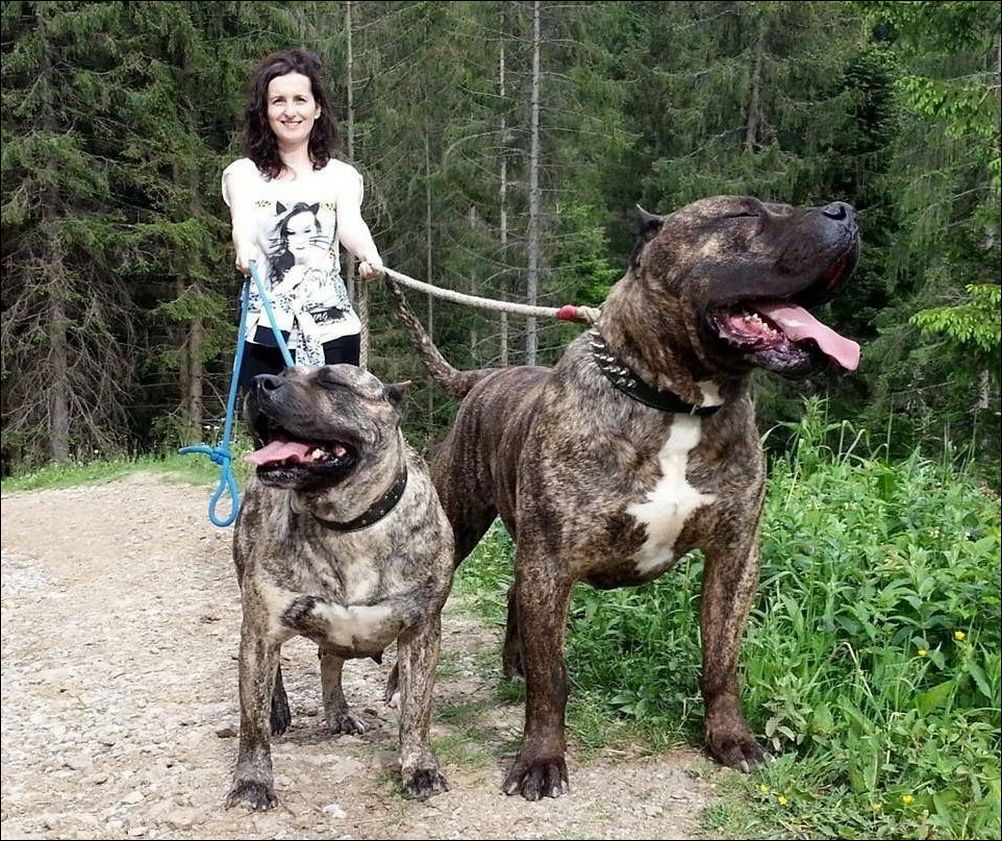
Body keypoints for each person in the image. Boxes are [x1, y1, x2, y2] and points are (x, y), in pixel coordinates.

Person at [221, 48, 384, 392]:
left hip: (333, 331)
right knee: (268, 424)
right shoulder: (243, 174)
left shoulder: (341, 176)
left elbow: (351, 226)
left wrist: (370, 256)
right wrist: (244, 249)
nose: (290, 111)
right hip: (267, 331)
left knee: (333, 425)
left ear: (317, 108)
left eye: (300, 99)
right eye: (278, 101)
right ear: (264, 111)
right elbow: (242, 224)